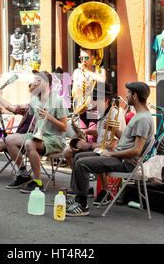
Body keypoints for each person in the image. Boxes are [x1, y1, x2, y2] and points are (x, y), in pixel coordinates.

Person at [66, 81, 155, 216]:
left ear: (135, 96)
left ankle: (82, 205)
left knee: (82, 164)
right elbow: (127, 138)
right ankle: (78, 197)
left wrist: (111, 154)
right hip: (120, 157)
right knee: (78, 156)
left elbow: (137, 150)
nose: (126, 96)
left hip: (125, 162)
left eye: (129, 93)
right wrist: (114, 130)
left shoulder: (142, 119)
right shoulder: (139, 115)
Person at [5, 70, 69, 193]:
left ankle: (38, 182)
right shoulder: (34, 99)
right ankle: (23, 174)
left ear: (46, 83)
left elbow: (64, 127)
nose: (35, 83)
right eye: (34, 80)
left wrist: (48, 116)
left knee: (30, 143)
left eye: (38, 80)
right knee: (9, 139)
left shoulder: (58, 101)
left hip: (55, 139)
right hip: (39, 136)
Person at [63, 83, 126, 205]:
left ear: (106, 100)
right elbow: (100, 133)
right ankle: (79, 192)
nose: (92, 103)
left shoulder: (115, 115)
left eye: (95, 99)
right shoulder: (102, 112)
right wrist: (85, 131)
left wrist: (89, 145)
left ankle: (85, 197)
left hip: (110, 153)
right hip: (101, 149)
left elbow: (112, 145)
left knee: (80, 159)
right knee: (73, 153)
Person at [71, 48, 107, 143]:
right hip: (82, 108)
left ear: (93, 57)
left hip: (94, 108)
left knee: (91, 137)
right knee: (82, 136)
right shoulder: (77, 72)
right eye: (81, 58)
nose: (83, 60)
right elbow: (74, 92)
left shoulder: (99, 70)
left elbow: (102, 80)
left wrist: (86, 71)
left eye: (86, 57)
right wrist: (78, 85)